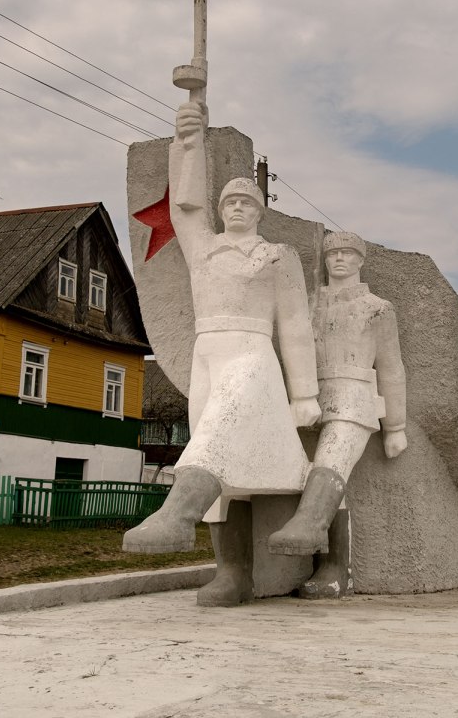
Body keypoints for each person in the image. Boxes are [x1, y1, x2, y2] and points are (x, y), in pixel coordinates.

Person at [122, 100, 320, 606]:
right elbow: (184, 206)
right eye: (229, 201)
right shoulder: (203, 247)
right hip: (207, 352)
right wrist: (187, 142)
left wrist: (305, 393)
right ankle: (232, 574)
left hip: (254, 355)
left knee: (214, 433)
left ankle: (177, 514)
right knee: (218, 457)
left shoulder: (278, 257)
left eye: (246, 203)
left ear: (260, 210)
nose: (236, 208)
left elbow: (295, 327)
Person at [268, 231, 407, 596]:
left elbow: (392, 369)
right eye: (333, 254)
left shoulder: (378, 308)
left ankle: (310, 529)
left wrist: (395, 426)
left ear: (361, 261)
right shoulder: (308, 305)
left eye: (348, 253)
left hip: (354, 399)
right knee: (330, 482)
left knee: (329, 465)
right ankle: (334, 570)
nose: (340, 260)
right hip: (310, 398)